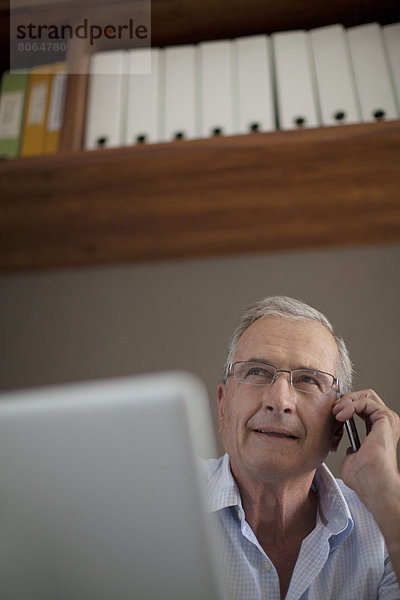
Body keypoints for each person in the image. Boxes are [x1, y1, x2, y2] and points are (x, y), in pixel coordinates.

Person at [204, 296, 400, 599]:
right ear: (222, 406)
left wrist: (386, 491)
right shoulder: (157, 502)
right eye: (256, 371)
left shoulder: (385, 524)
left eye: (308, 379)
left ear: (338, 428)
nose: (279, 401)